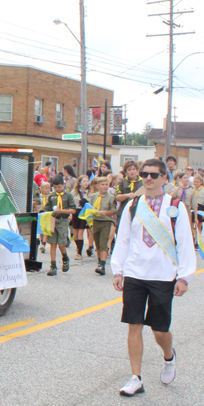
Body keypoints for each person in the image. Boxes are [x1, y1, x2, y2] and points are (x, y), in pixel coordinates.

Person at [111, 158, 195, 397]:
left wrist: (184, 277)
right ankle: (136, 377)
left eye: (154, 175)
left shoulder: (176, 206)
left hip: (163, 275)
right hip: (135, 273)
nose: (148, 178)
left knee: (159, 330)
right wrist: (118, 269)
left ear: (164, 178)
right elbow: (123, 239)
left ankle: (168, 356)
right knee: (134, 325)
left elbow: (185, 244)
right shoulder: (133, 205)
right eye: (145, 174)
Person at [44, 175, 76, 276]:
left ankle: (65, 257)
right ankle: (53, 266)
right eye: (55, 187)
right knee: (52, 243)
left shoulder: (68, 195)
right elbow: (47, 208)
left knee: (61, 243)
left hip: (63, 220)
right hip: (53, 220)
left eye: (59, 186)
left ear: (63, 185)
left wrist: (62, 211)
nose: (57, 189)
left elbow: (73, 210)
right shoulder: (52, 196)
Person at [90, 177, 116, 275]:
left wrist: (105, 212)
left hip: (105, 222)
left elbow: (114, 211)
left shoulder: (110, 197)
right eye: (102, 185)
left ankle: (102, 265)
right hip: (95, 221)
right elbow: (90, 207)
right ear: (98, 186)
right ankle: (99, 262)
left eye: (106, 184)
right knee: (97, 244)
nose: (105, 186)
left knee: (103, 243)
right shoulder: (93, 196)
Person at [115, 160, 143, 225]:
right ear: (126, 172)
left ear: (137, 170)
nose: (132, 171)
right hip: (124, 210)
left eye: (134, 169)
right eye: (129, 169)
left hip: (138, 211)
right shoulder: (122, 182)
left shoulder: (142, 182)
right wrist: (127, 195)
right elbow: (117, 197)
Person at [71, 175, 90, 260]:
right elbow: (71, 203)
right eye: (84, 181)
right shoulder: (74, 192)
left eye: (87, 181)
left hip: (84, 213)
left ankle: (79, 253)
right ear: (80, 182)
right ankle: (78, 246)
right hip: (76, 212)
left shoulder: (89, 193)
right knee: (75, 235)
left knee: (80, 233)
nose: (86, 183)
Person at [38, 181, 51, 254]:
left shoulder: (50, 196)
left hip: (48, 213)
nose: (47, 190)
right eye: (46, 188)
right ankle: (41, 240)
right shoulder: (39, 197)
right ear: (41, 189)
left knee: (46, 229)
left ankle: (43, 244)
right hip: (41, 213)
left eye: (49, 188)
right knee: (41, 229)